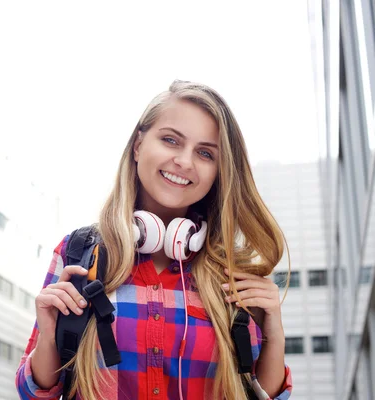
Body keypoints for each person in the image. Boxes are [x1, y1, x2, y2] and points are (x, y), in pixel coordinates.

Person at [15, 80, 293, 400]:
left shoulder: (232, 270)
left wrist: (274, 336)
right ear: (138, 146)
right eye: (171, 140)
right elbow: (34, 394)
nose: (185, 161)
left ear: (220, 171)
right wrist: (48, 339)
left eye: (205, 153)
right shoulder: (79, 254)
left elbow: (267, 396)